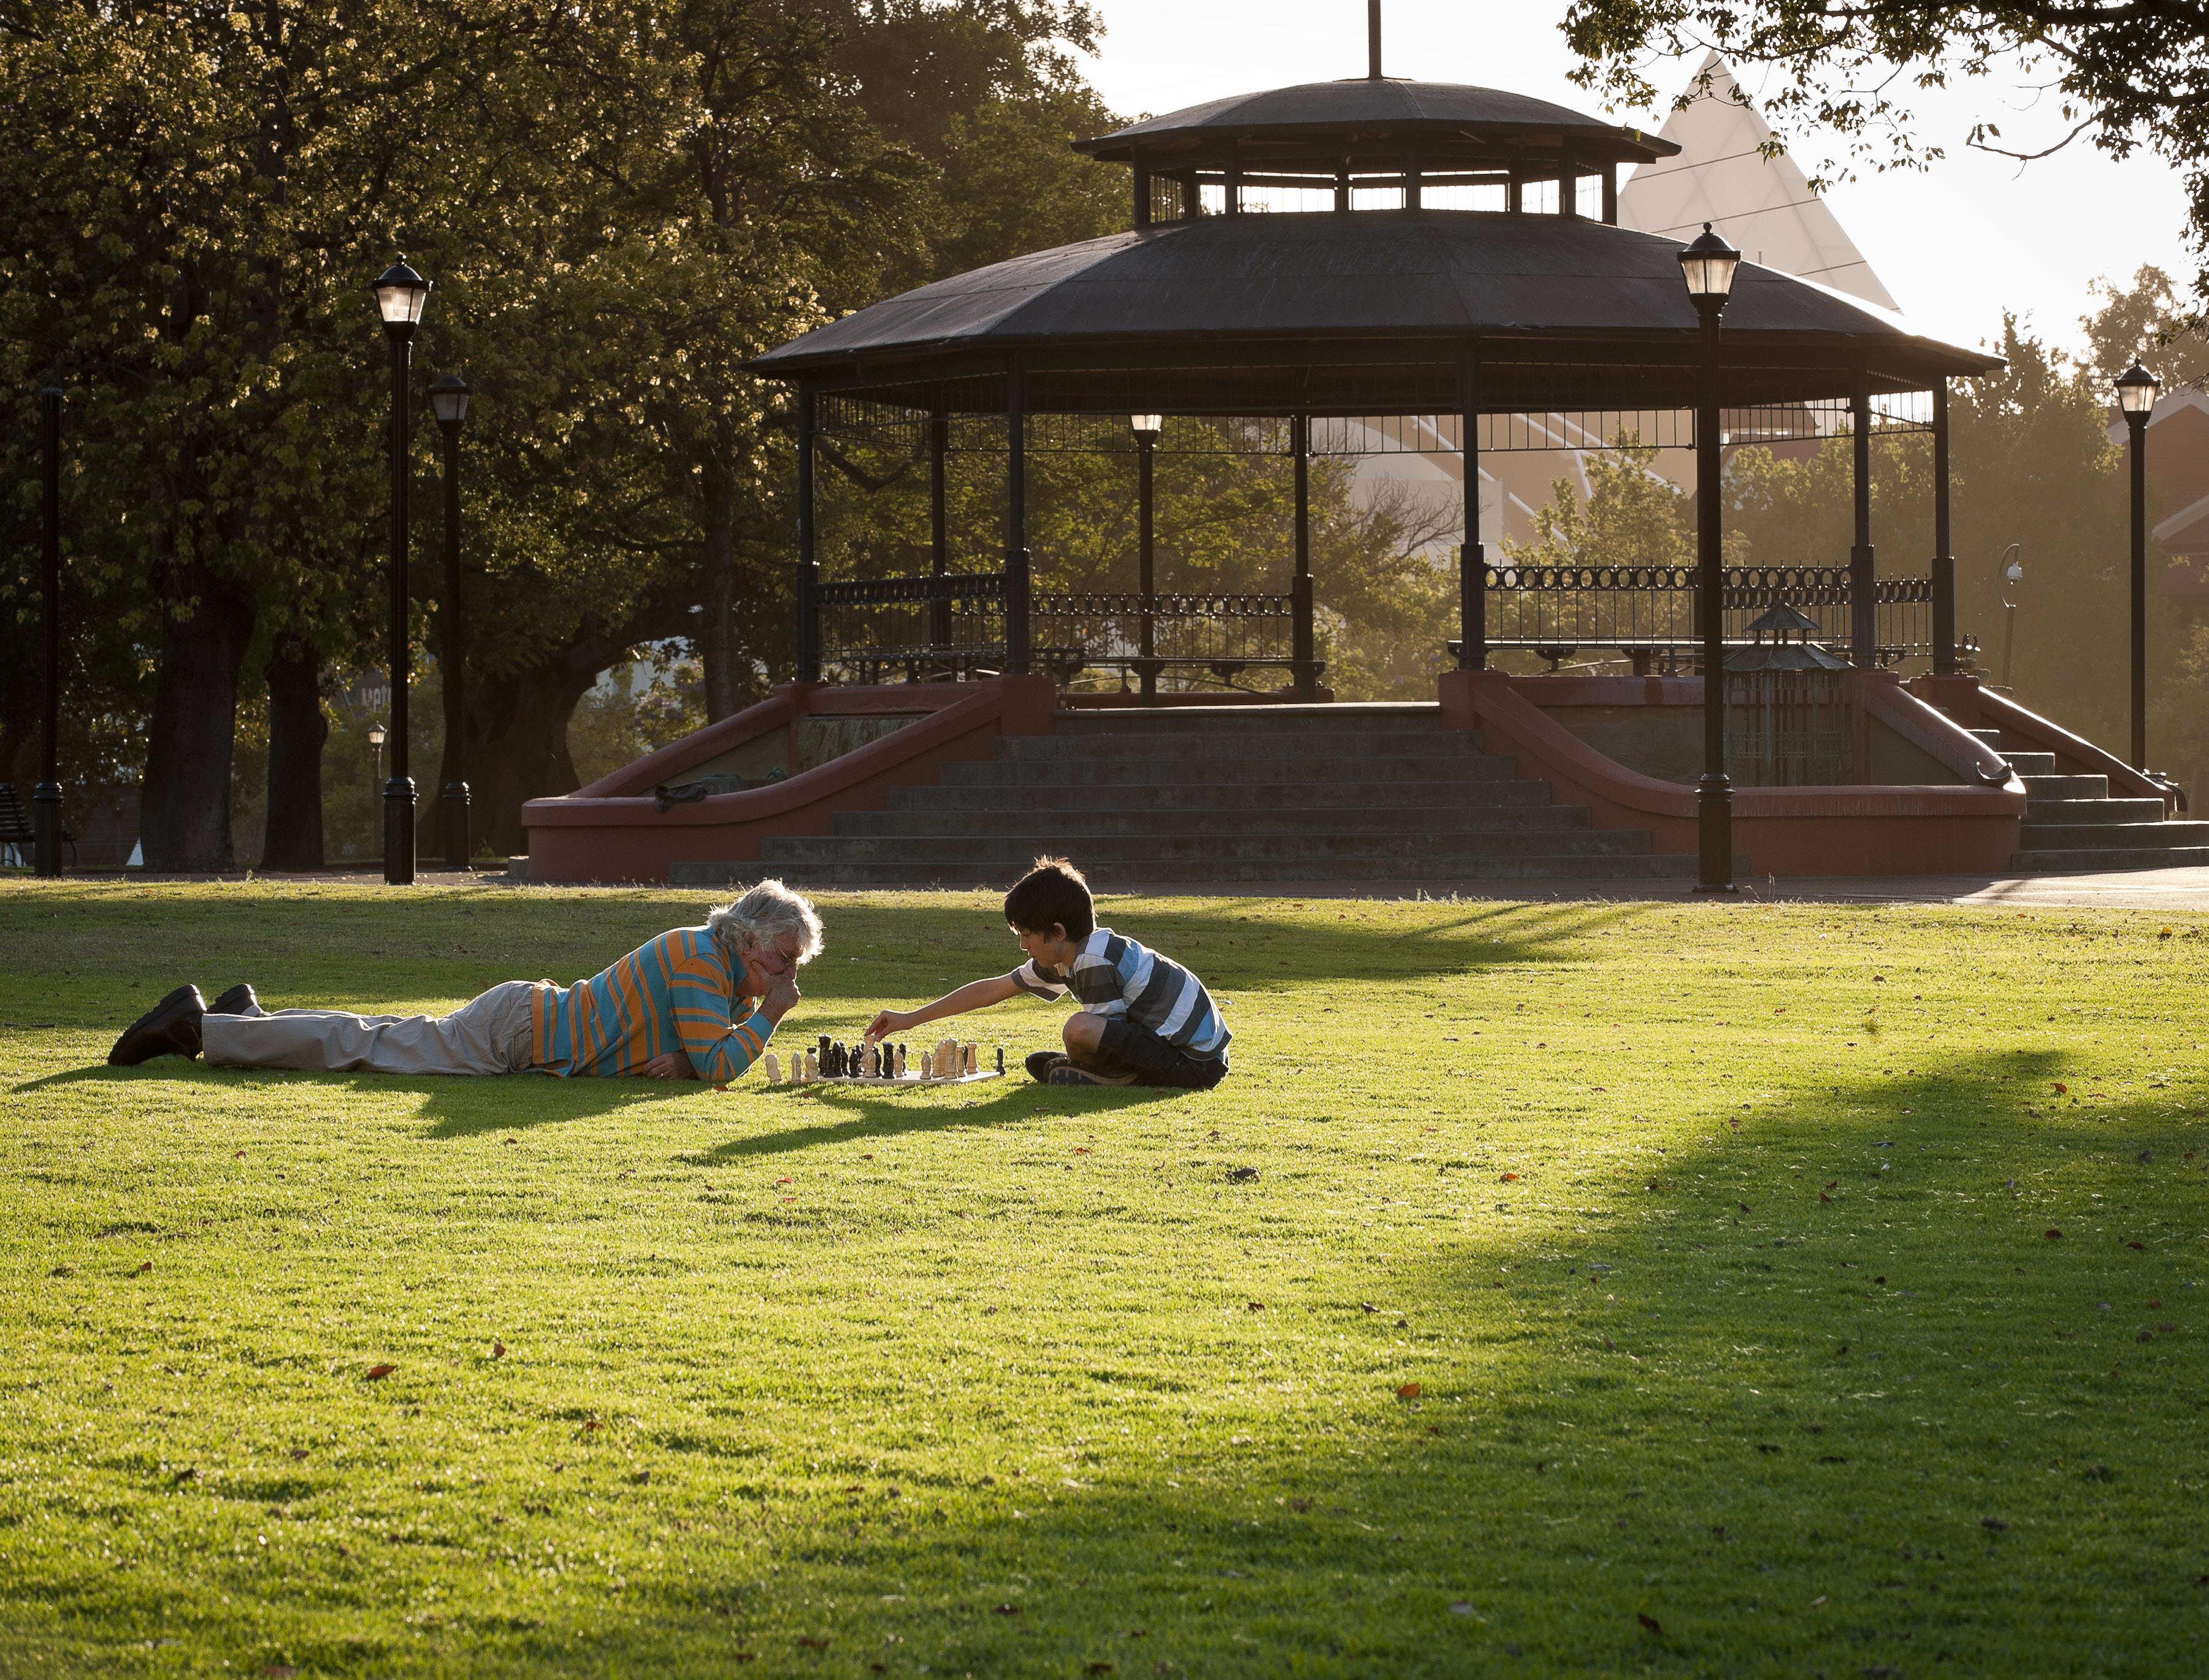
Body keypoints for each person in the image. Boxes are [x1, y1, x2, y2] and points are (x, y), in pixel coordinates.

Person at [105, 879, 821, 1080]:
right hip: (515, 1033)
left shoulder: (715, 964)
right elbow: (721, 1064)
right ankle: (199, 1027)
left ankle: (246, 1016)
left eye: (792, 967)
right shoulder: (702, 961)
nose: (786, 976)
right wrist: (772, 1016)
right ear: (750, 938)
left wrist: (677, 1057)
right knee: (364, 1047)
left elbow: (698, 1052)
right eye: (783, 960)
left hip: (526, 1022)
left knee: (377, 1036)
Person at [863, 856, 1229, 1088]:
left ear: (1056, 932)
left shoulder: (1094, 958)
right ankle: (1083, 1070)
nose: (1023, 946)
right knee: (1078, 1033)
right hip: (1186, 1053)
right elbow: (991, 990)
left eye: (1026, 935)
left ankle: (1098, 1076)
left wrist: (1078, 1049)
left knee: (1078, 1028)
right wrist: (910, 1019)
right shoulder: (1067, 955)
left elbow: (1104, 1030)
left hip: (1195, 1063)